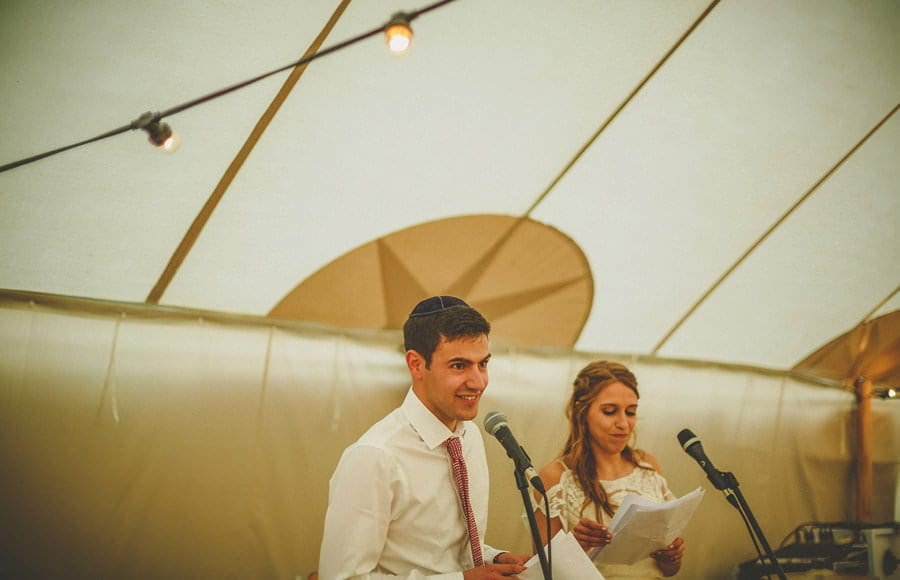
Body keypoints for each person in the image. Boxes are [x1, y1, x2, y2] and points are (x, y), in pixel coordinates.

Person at [319, 296, 529, 579]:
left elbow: (447, 553)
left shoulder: (470, 438)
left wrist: (497, 558)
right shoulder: (374, 456)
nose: (478, 382)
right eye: (459, 366)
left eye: (483, 364)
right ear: (416, 365)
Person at [532, 360, 686, 578]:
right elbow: (542, 571)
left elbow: (668, 571)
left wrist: (672, 558)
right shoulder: (555, 477)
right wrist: (575, 546)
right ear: (581, 412)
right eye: (610, 411)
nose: (623, 423)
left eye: (631, 412)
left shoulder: (648, 466)